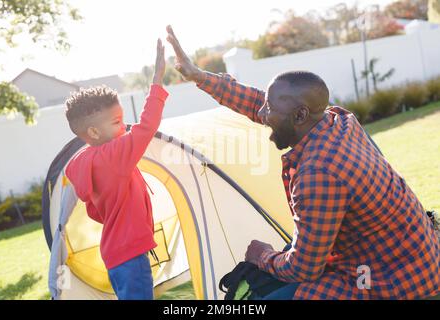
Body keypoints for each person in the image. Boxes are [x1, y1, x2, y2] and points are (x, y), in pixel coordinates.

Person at [165, 25, 440, 300]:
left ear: (299, 116)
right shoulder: (337, 120)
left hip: (393, 280)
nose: (261, 113)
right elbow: (257, 102)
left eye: (269, 108)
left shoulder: (318, 172)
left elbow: (303, 268)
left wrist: (263, 256)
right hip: (407, 255)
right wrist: (198, 76)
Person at [64, 39, 168, 300]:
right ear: (94, 132)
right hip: (131, 256)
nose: (124, 128)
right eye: (117, 122)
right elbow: (146, 127)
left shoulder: (86, 161)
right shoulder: (113, 155)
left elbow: (95, 211)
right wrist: (157, 80)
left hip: (114, 254)